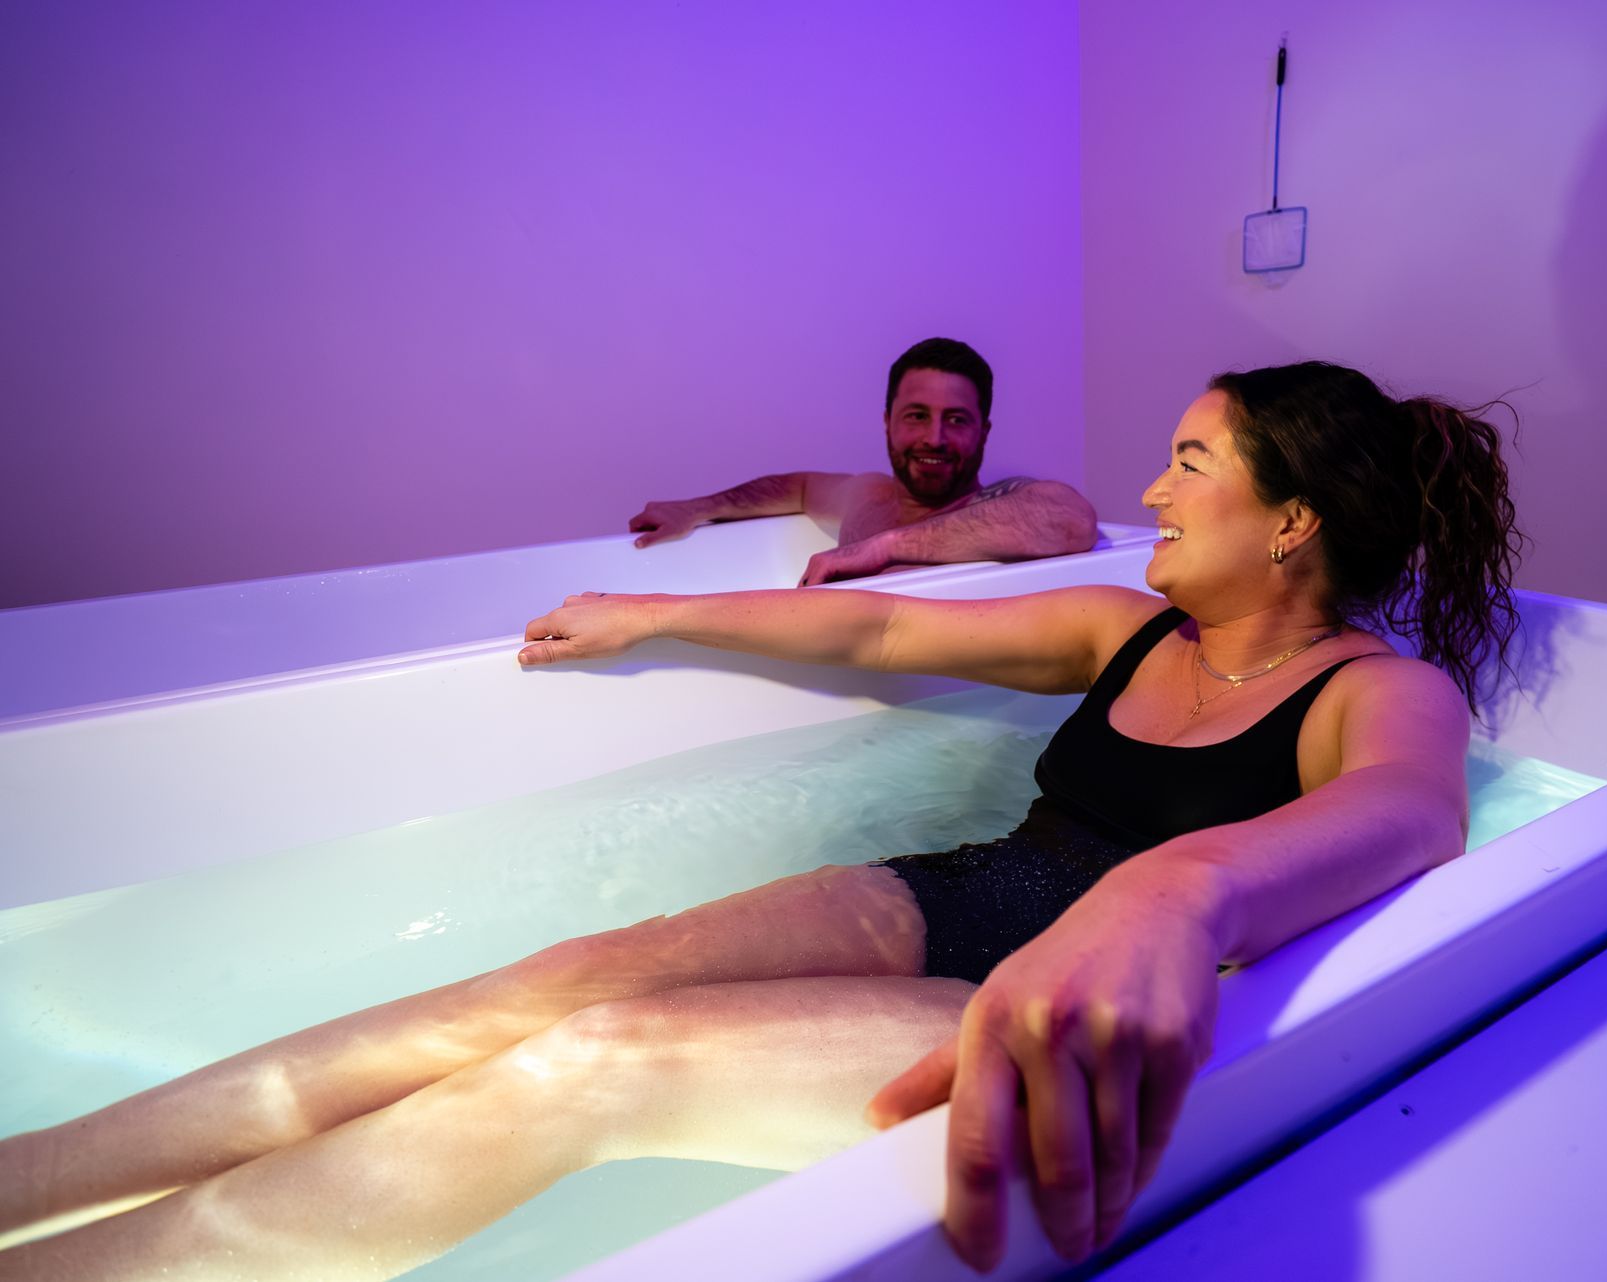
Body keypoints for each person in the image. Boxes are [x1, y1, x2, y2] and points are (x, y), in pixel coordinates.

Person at [0, 361, 1521, 1279]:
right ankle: (34, 1174)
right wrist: (643, 610)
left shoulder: (1376, 690)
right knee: (560, 976)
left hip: (1022, 1005)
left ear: (1293, 517)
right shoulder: (1126, 624)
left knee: (592, 1064)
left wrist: (1171, 897)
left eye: (1189, 463)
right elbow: (874, 637)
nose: (1152, 488)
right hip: (967, 892)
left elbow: (1408, 816)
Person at [627, 337, 1101, 585]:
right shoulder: (868, 495)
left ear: (984, 431)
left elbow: (1070, 520)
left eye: (956, 420)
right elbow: (798, 488)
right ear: (887, 422)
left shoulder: (995, 509)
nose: (933, 438)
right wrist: (696, 508)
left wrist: (883, 547)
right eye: (916, 416)